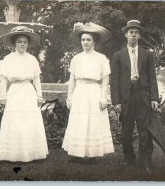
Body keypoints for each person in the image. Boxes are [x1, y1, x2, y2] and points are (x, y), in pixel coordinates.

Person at [110, 20, 159, 174]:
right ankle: (129, 159)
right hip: (126, 97)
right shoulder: (118, 56)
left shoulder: (147, 54)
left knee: (145, 130)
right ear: (126, 34)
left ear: (139, 35)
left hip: (143, 96)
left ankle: (145, 160)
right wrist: (116, 102)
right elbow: (115, 81)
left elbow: (152, 78)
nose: (133, 35)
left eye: (136, 32)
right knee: (126, 131)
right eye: (131, 32)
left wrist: (154, 98)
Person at [62, 22, 114, 162]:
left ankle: (92, 154)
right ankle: (76, 153)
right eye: (83, 40)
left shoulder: (101, 58)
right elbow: (72, 79)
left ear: (94, 42)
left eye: (88, 40)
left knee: (93, 121)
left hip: (94, 92)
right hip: (80, 92)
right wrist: (69, 98)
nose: (85, 42)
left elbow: (105, 79)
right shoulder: (76, 58)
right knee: (79, 121)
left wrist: (104, 98)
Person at [0, 26, 48, 162]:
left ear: (28, 44)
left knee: (29, 121)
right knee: (14, 122)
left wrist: (39, 95)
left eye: (24, 42)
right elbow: (3, 80)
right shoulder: (8, 59)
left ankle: (31, 153)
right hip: (14, 92)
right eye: (19, 41)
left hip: (28, 92)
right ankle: (13, 154)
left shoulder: (32, 59)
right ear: (14, 43)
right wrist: (3, 97)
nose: (22, 44)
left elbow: (37, 79)